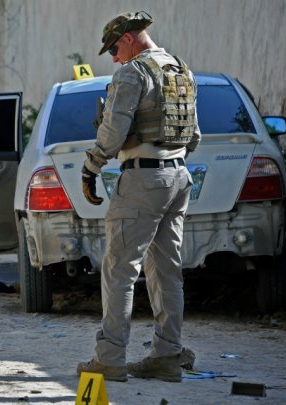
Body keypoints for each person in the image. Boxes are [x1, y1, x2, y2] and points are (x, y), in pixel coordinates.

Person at [76, 11, 200, 383]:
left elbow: (114, 130)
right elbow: (193, 134)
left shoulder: (133, 72)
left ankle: (110, 358)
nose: (114, 57)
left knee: (119, 271)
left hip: (143, 179)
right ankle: (167, 355)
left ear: (128, 38)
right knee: (167, 272)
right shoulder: (180, 69)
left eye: (114, 48)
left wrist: (91, 167)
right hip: (178, 176)